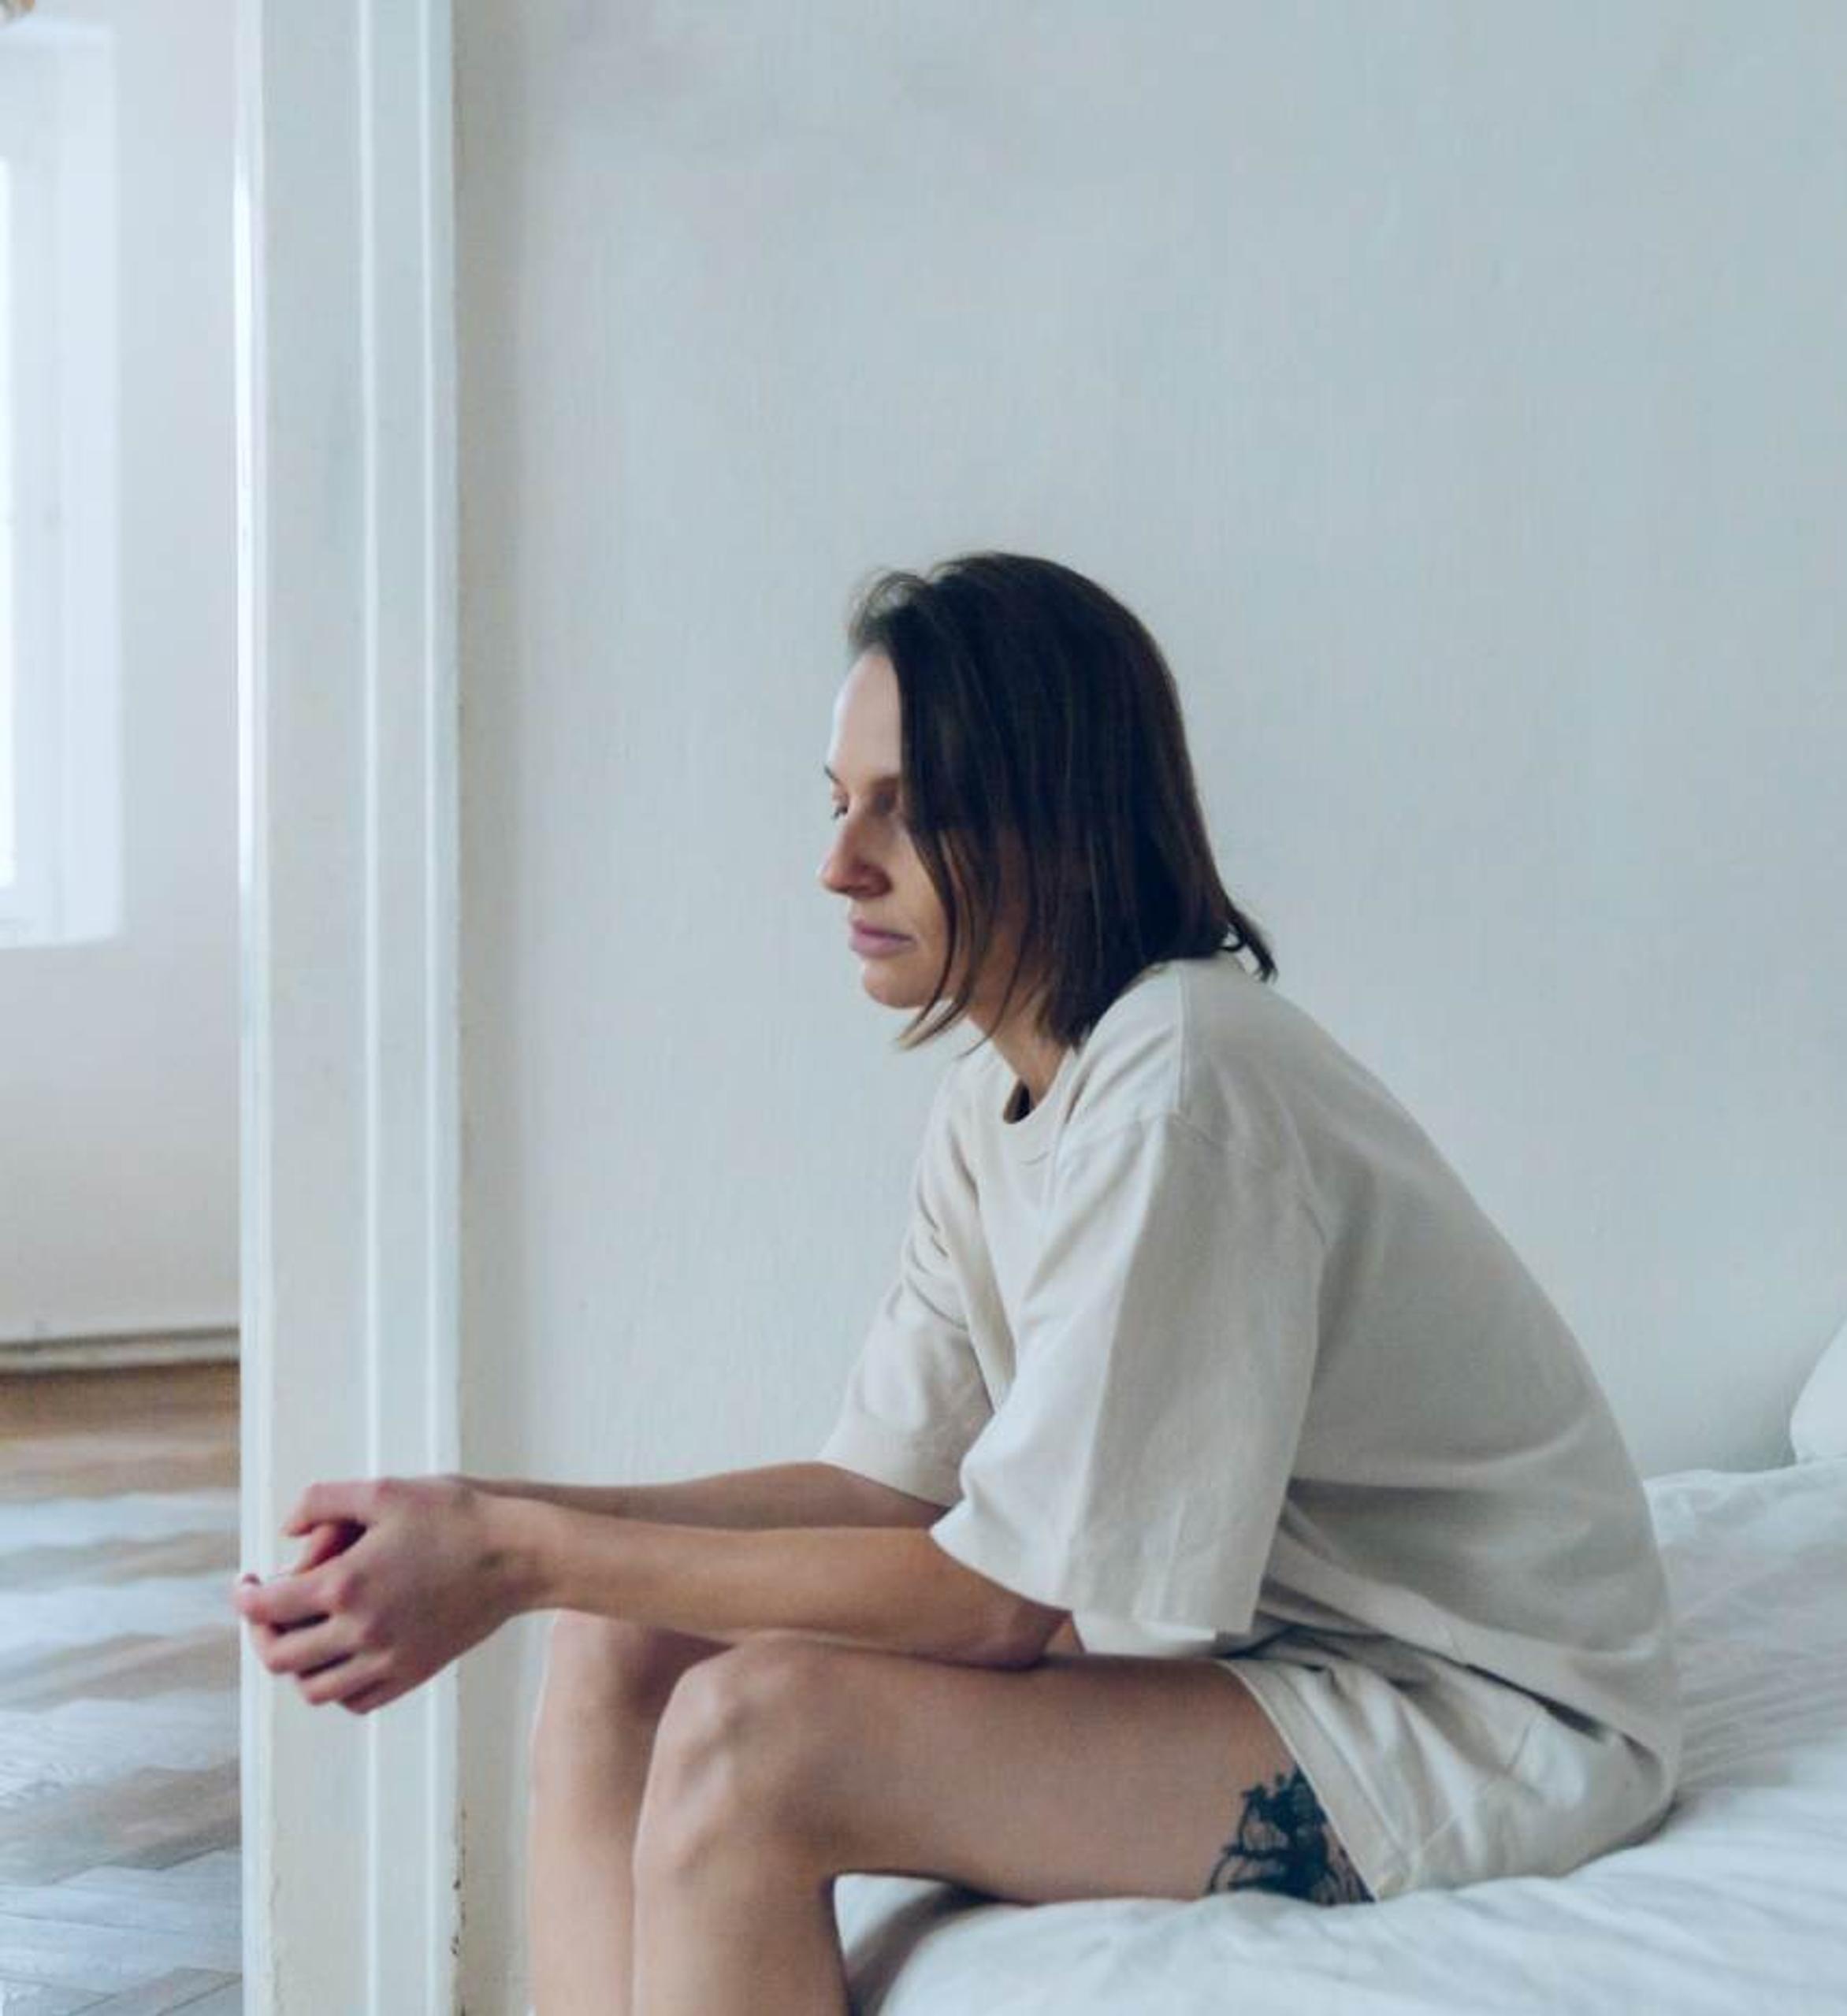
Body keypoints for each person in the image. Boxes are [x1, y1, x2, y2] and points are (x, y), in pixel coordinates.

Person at [232, 553, 1680, 2013]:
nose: (839, 862)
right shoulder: (1002, 1104)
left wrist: (512, 1555)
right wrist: (488, 1521)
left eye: (906, 810)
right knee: (624, 1644)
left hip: (1477, 1717)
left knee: (761, 1736)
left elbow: (998, 1604)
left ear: (1057, 818)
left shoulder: (1184, 1084)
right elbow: (888, 1493)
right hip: (1297, 1665)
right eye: (839, 800)